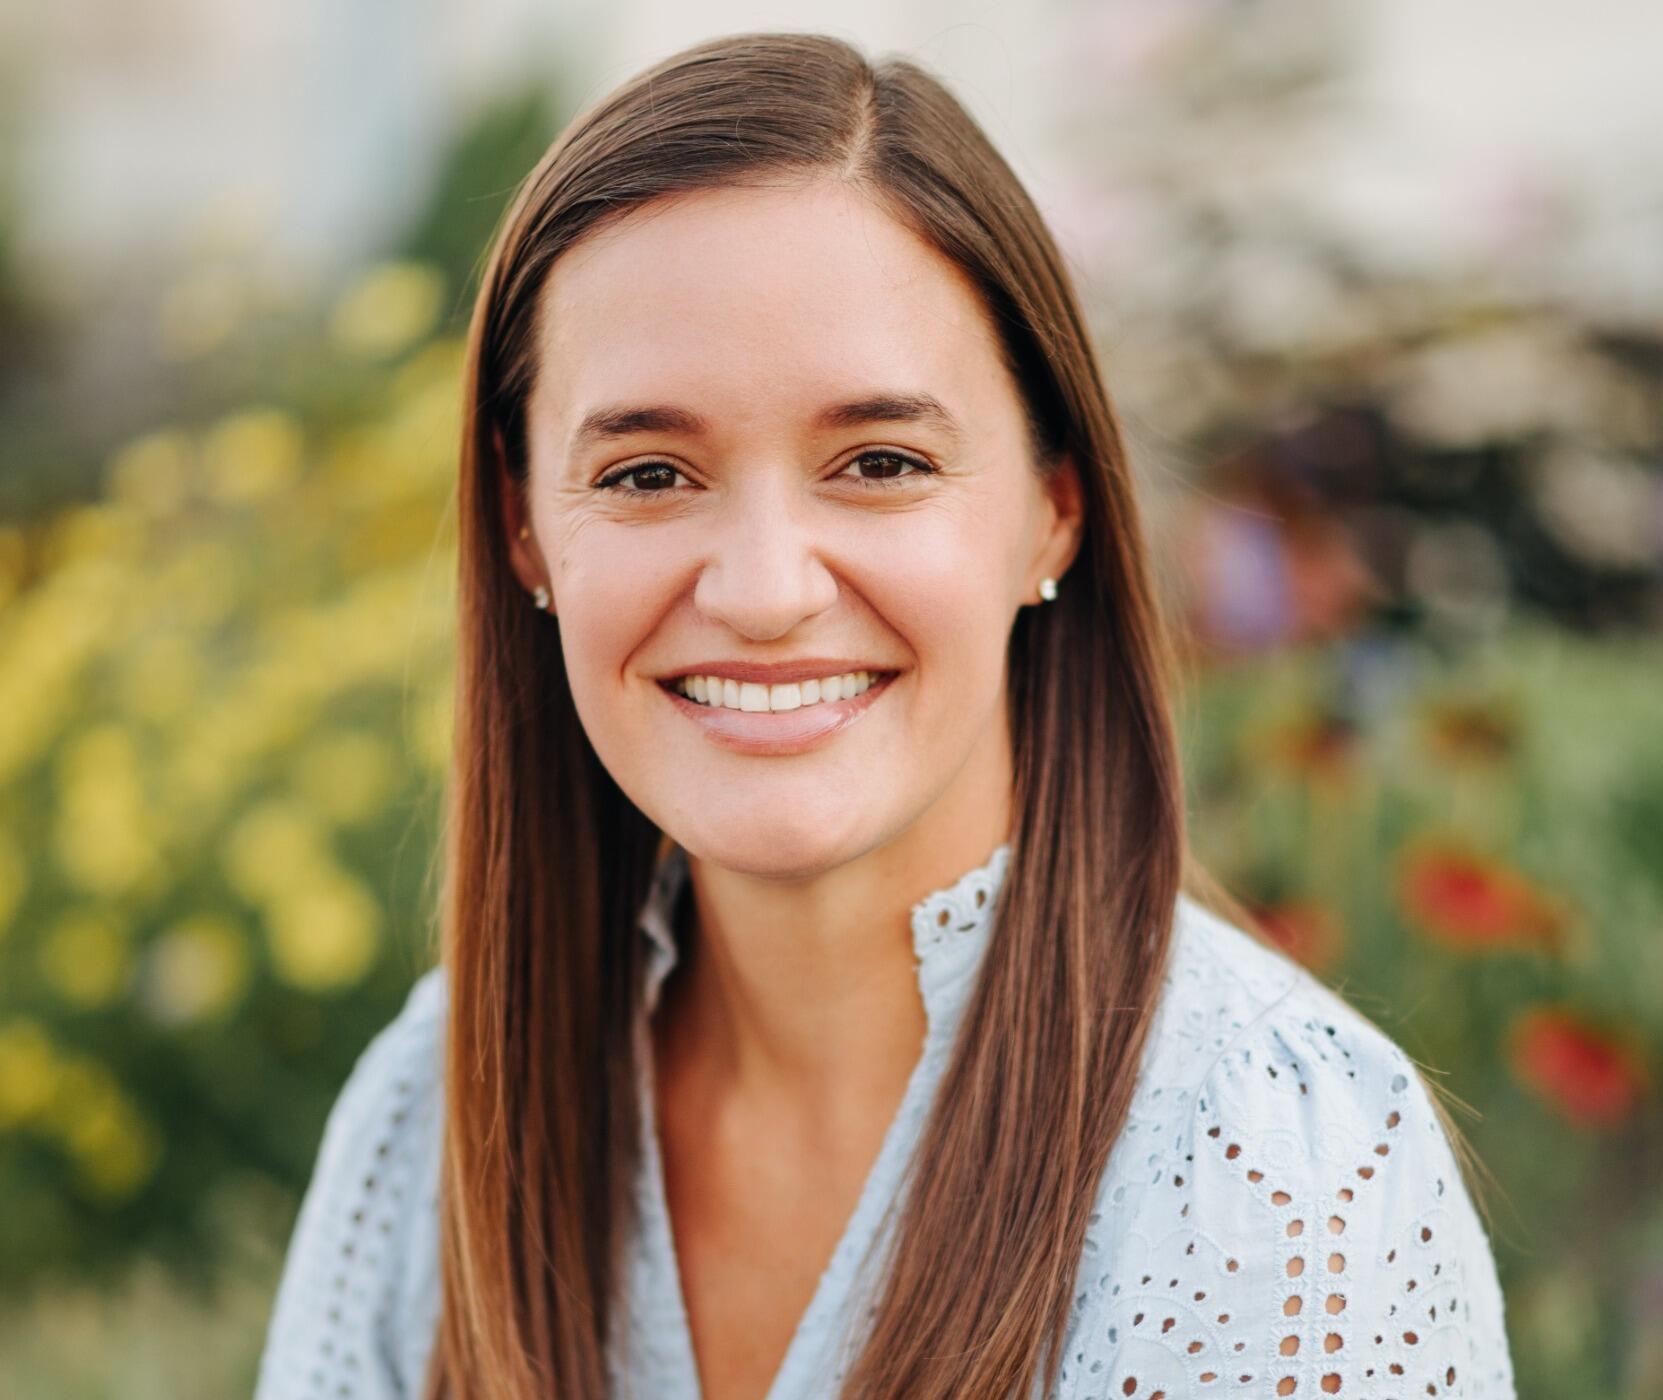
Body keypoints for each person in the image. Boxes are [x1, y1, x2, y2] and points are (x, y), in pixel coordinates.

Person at [253, 30, 1517, 1400]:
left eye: (879, 461)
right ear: (523, 530)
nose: (764, 590)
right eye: (648, 473)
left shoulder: (1274, 1171)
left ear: (1056, 505)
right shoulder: (430, 1120)